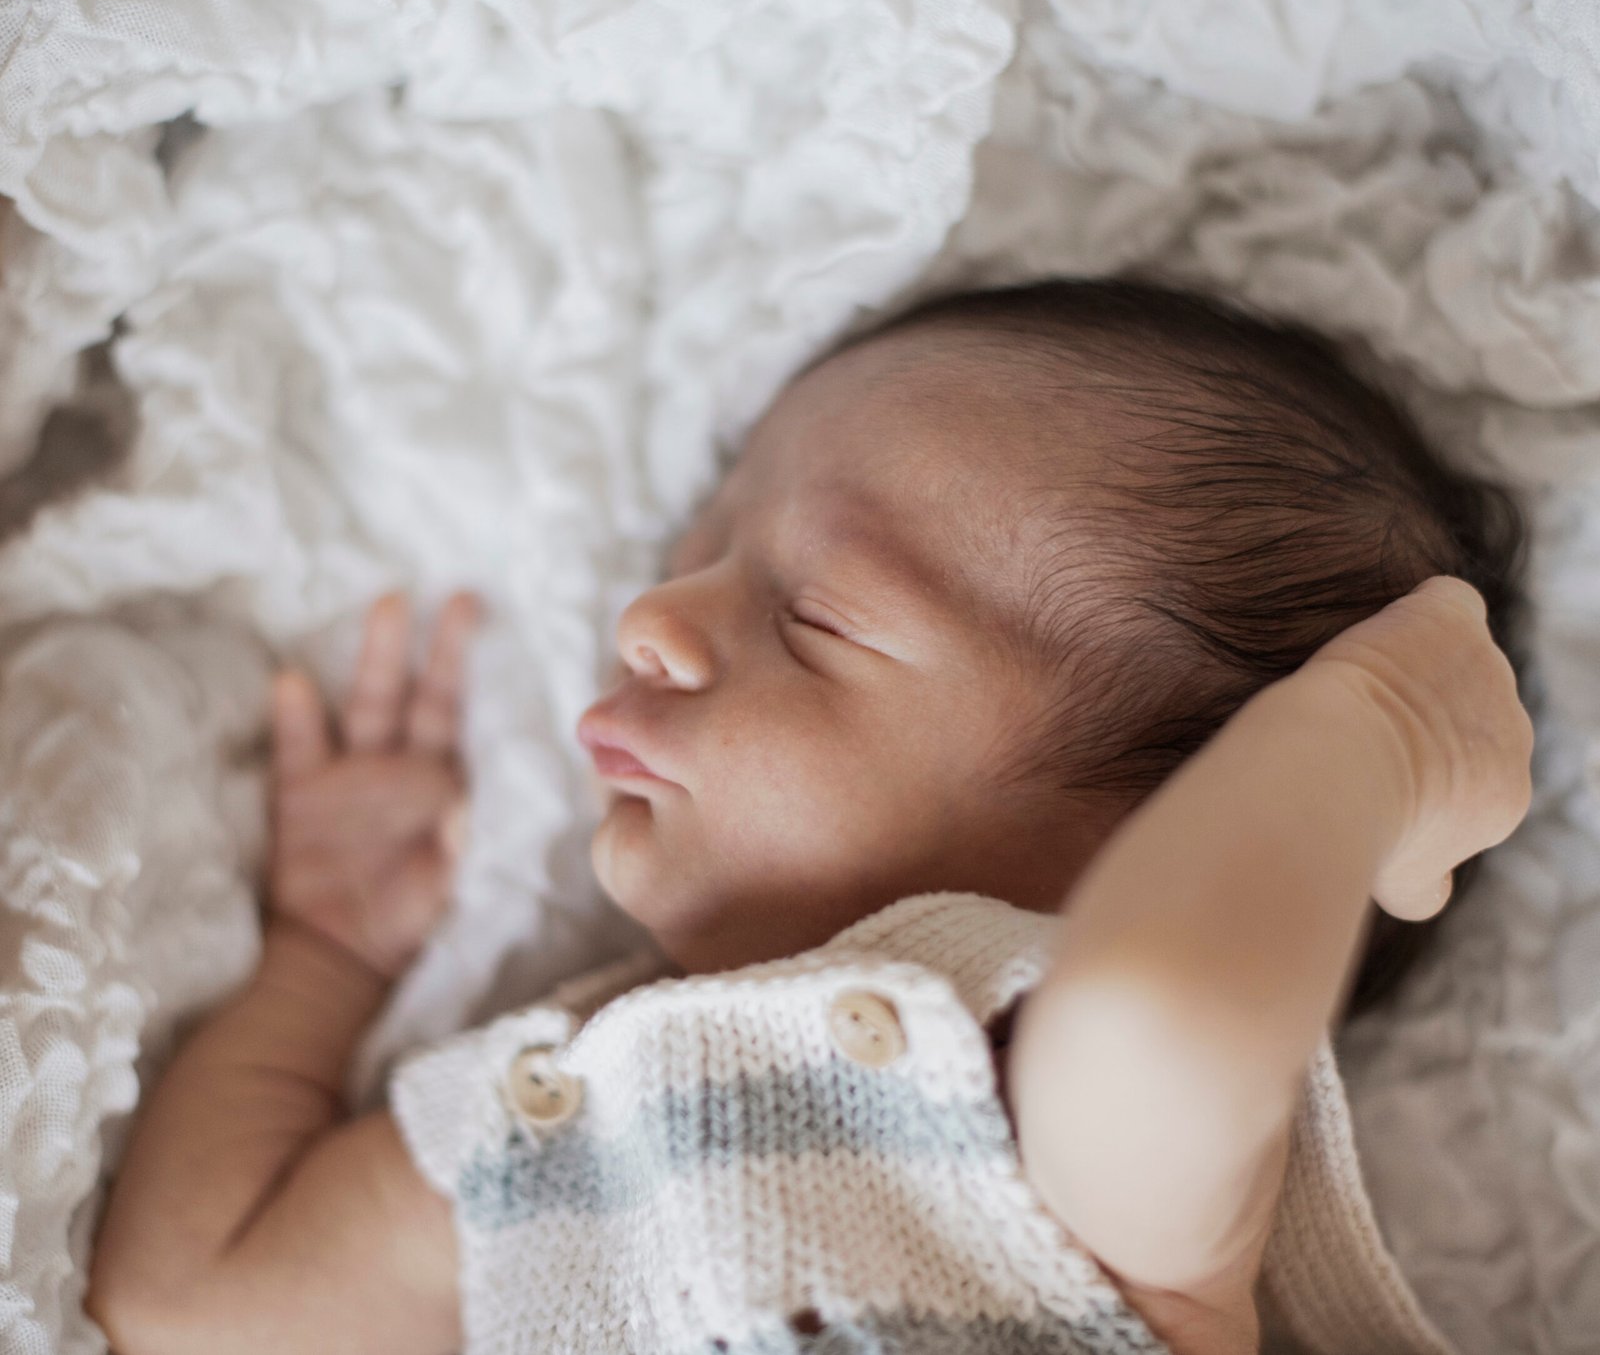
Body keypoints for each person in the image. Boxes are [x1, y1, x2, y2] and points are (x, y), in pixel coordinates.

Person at [83, 279, 1535, 1355]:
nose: (650, 615)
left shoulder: (1051, 1135)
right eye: (698, 549)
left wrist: (1380, 731)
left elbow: (1162, 1006)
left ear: (1146, 849)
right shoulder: (558, 1103)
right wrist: (324, 955)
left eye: (815, 615)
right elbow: (192, 1301)